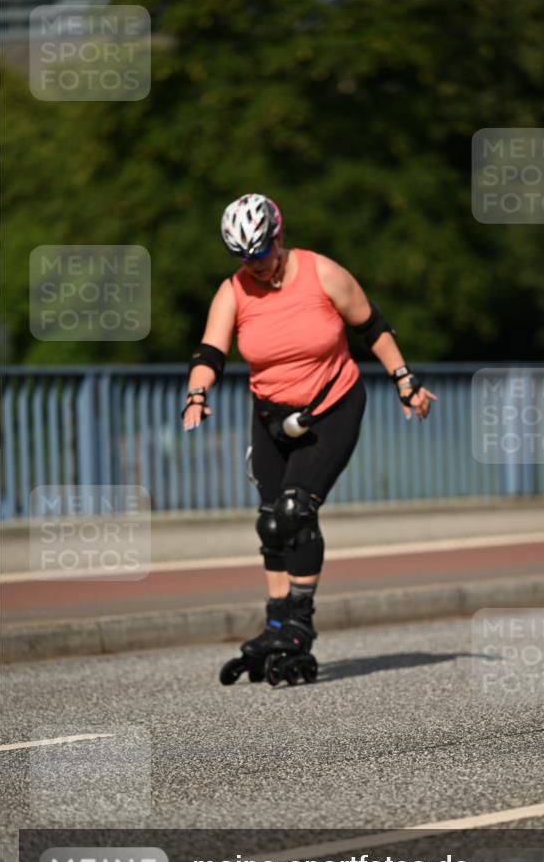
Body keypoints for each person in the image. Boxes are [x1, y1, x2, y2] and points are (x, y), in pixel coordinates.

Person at [182, 193, 435, 685]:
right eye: (243, 257)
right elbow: (210, 351)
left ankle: (299, 623)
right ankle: (276, 621)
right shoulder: (234, 291)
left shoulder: (322, 273)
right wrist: (196, 394)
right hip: (270, 414)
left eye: (260, 253)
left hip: (332, 407)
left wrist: (405, 382)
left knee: (297, 509)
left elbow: (373, 327)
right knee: (271, 523)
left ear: (278, 238)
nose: (253, 265)